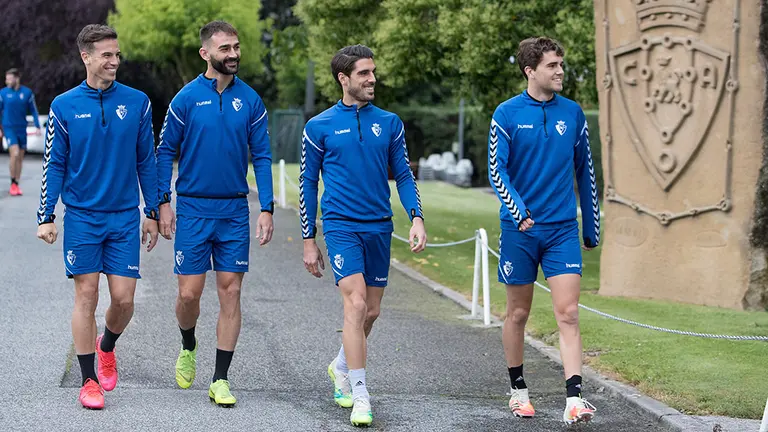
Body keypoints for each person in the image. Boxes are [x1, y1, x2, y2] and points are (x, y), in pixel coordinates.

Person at [300, 44, 427, 427]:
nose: (372, 79)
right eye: (364, 74)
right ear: (344, 78)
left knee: (371, 311)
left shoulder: (389, 123)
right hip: (341, 226)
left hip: (379, 226)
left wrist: (416, 218)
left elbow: (403, 174)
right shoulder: (318, 126)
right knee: (355, 305)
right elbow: (307, 183)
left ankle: (340, 366)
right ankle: (360, 394)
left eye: (373, 72)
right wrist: (309, 238)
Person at [36, 24, 160, 410]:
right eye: (106, 55)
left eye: (117, 54)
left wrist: (152, 211)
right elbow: (54, 163)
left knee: (123, 300)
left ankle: (106, 346)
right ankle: (88, 381)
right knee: (86, 295)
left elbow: (146, 159)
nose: (114, 61)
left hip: (123, 217)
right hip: (82, 217)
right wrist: (46, 215)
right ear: (85, 57)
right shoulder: (64, 106)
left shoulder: (138, 102)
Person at [156, 20, 274, 408]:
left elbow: (262, 156)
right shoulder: (186, 99)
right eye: (225, 48)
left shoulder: (251, 101)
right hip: (193, 207)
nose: (234, 54)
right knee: (189, 293)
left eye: (236, 47)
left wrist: (267, 207)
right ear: (205, 53)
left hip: (234, 210)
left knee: (231, 291)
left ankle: (220, 379)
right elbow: (164, 152)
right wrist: (163, 203)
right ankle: (188, 344)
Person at [488, 36, 600, 424]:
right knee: (518, 313)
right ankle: (518, 391)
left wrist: (591, 226)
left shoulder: (573, 113)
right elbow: (496, 170)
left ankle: (575, 399)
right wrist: (517, 210)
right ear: (530, 71)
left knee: (568, 312)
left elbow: (585, 171)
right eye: (552, 65)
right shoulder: (506, 114)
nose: (560, 71)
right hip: (519, 231)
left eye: (561, 64)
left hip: (562, 230)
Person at [0, 68, 41, 195]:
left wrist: (37, 126)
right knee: (15, 153)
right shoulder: (3, 93)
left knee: (20, 158)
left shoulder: (27, 93)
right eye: (6, 79)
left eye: (9, 78)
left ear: (16, 78)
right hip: (9, 128)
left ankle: (16, 184)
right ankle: (12, 183)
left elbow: (33, 110)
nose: (7, 81)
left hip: (22, 128)